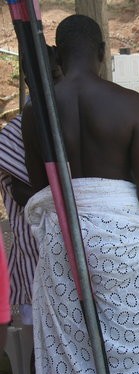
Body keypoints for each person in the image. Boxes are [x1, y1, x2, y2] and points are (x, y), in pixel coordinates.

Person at [21, 15, 139, 374]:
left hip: (62, 242)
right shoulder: (128, 104)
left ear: (58, 53)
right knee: (128, 356)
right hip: (119, 245)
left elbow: (39, 190)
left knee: (72, 357)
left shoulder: (36, 111)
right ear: (101, 52)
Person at [0, 46, 62, 326]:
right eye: (43, 77)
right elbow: (21, 192)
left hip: (75, 250)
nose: (51, 85)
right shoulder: (14, 133)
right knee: (42, 341)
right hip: (34, 249)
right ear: (28, 83)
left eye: (56, 76)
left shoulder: (70, 119)